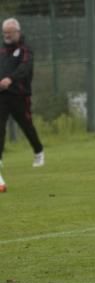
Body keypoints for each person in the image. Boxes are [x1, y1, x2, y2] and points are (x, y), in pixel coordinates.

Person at [0, 18, 45, 192]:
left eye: (10, 32)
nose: (7, 36)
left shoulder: (26, 50)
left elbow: (25, 69)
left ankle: (39, 151)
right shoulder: (2, 50)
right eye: (4, 33)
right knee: (0, 127)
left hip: (19, 94)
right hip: (2, 95)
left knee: (26, 125)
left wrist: (10, 79)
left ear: (17, 32)